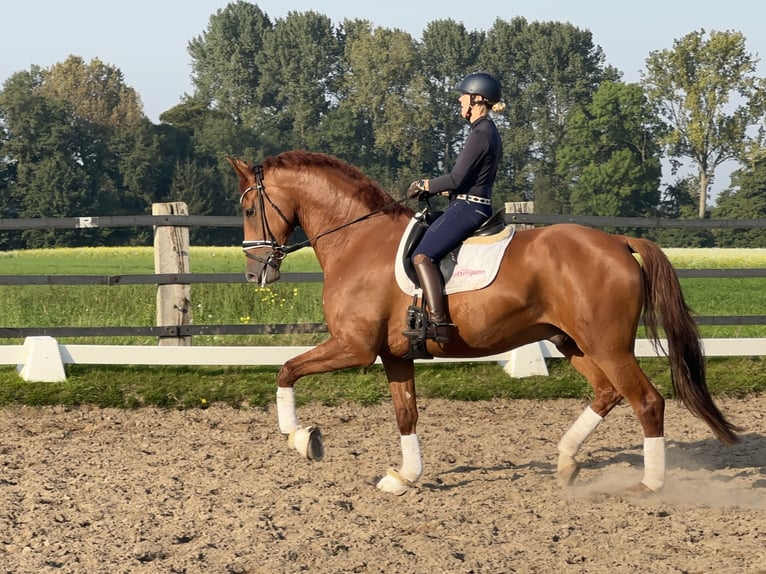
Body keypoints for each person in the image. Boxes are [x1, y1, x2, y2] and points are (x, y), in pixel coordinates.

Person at [404, 72, 505, 344]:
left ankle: (438, 322)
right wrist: (449, 189)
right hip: (471, 202)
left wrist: (424, 184)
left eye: (463, 96)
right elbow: (467, 181)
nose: (459, 100)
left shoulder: (480, 134)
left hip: (469, 209)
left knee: (422, 256)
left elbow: (456, 178)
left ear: (476, 100)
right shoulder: (486, 132)